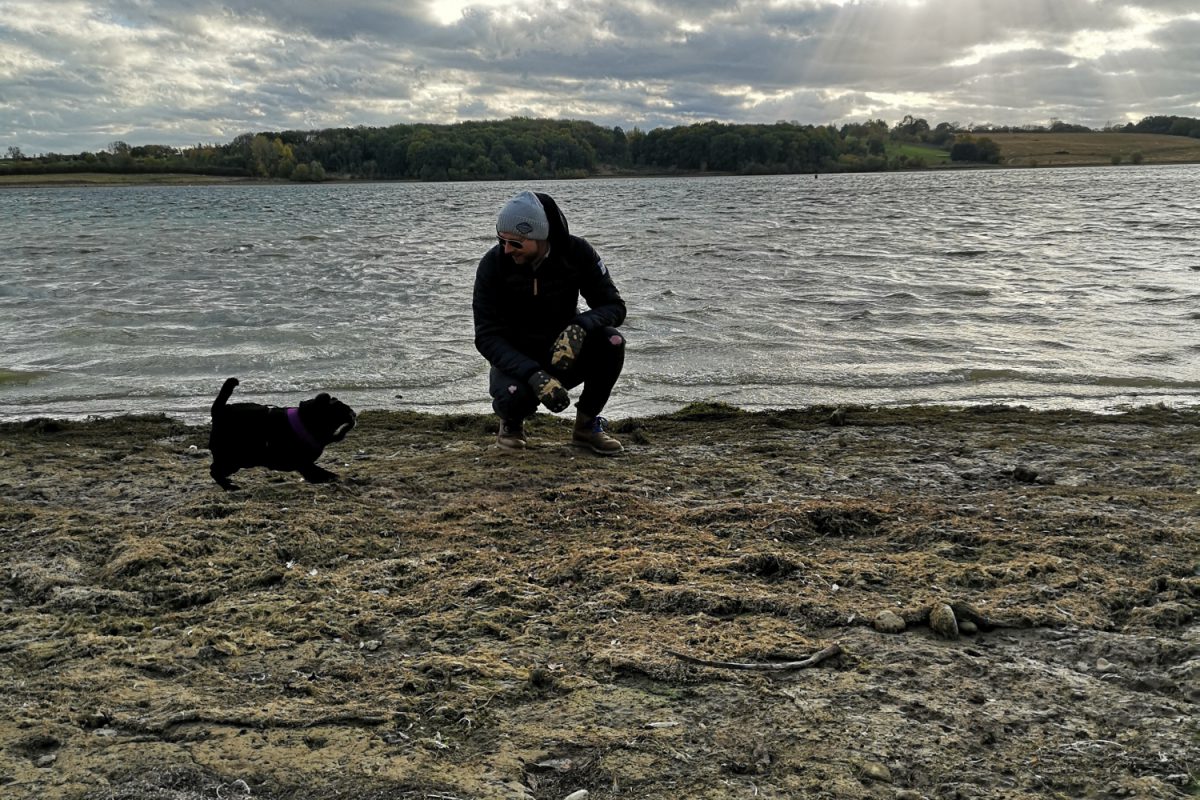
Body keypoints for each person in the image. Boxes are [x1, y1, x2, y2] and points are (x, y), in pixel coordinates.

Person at [473, 190, 627, 454]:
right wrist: (532, 375)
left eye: (516, 243)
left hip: (564, 355)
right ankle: (510, 429)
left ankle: (586, 428)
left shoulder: (578, 253)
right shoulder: (493, 264)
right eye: (501, 240)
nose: (507, 249)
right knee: (511, 394)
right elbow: (486, 337)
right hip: (516, 364)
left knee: (612, 341)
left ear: (541, 237)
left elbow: (614, 306)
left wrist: (581, 326)